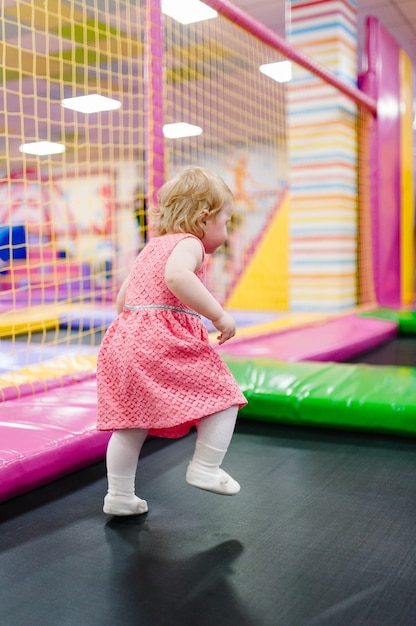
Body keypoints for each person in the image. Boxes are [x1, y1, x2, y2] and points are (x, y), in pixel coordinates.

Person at [96, 166, 248, 516]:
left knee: (130, 424)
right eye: (226, 221)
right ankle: (205, 467)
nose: (225, 230)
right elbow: (177, 276)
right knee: (224, 398)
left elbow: (123, 302)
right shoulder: (189, 244)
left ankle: (119, 495)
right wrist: (218, 315)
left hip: (122, 342)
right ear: (204, 218)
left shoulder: (152, 247)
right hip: (157, 341)